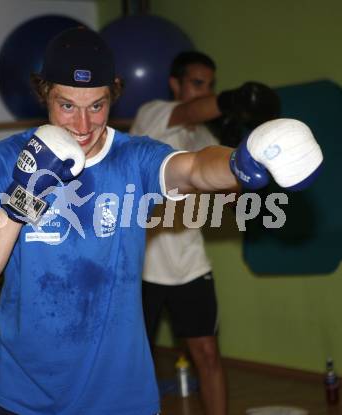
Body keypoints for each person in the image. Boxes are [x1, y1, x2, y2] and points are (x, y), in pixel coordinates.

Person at [0, 28, 322, 415]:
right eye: (67, 106)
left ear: (113, 93)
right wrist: (22, 196)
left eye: (97, 106)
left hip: (119, 399)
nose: (81, 125)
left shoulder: (133, 158)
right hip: (19, 396)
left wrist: (239, 162)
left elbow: (193, 168)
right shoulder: (10, 156)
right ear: (45, 93)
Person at [130, 51, 281, 415]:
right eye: (197, 83)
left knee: (208, 355)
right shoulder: (154, 113)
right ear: (175, 84)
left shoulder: (205, 137)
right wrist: (232, 101)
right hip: (140, 264)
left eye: (210, 86)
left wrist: (244, 159)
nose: (204, 93)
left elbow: (231, 201)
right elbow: (189, 111)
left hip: (189, 261)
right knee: (133, 365)